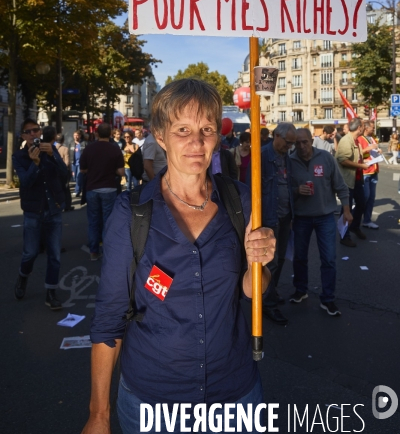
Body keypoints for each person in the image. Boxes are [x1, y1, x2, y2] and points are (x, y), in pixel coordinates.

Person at [81, 79, 276, 434]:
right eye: (182, 129)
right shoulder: (132, 211)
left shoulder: (242, 201)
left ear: (219, 135)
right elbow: (109, 316)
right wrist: (99, 415)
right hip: (152, 404)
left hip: (234, 397)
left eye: (206, 129)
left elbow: (254, 290)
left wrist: (258, 261)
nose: (197, 143)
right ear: (160, 135)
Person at [289, 129, 353, 316]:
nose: (301, 146)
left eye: (305, 142)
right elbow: (284, 189)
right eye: (298, 143)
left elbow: (341, 187)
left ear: (311, 140)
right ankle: (301, 290)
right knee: (299, 257)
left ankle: (328, 299)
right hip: (301, 217)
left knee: (329, 259)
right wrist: (296, 190)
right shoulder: (290, 161)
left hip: (325, 216)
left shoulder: (326, 158)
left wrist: (347, 211)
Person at [13, 120, 68, 309]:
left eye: (35, 131)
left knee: (54, 254)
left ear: (40, 132)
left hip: (53, 208)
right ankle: (23, 276)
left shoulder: (49, 151)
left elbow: (64, 175)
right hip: (32, 211)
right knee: (30, 253)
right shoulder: (19, 156)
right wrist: (35, 164)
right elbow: (26, 182)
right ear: (23, 136)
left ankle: (51, 293)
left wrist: (53, 155)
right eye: (28, 132)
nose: (32, 134)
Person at [249, 122, 296, 326]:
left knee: (281, 259)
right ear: (277, 136)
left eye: (292, 144)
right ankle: (267, 303)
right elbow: (252, 189)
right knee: (271, 262)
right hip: (269, 217)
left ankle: (271, 293)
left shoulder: (287, 157)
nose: (290, 147)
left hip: (285, 216)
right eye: (288, 142)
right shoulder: (261, 156)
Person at [79, 123, 125, 261]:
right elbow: (121, 171)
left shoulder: (89, 148)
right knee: (108, 221)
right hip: (109, 188)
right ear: (111, 134)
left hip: (92, 188)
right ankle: (107, 250)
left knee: (93, 220)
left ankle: (93, 251)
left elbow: (82, 169)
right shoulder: (114, 148)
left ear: (97, 134)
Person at [335, 118, 369, 247]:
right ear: (359, 128)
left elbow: (357, 156)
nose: (364, 128)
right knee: (346, 209)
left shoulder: (356, 140)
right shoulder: (346, 140)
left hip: (357, 179)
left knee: (361, 203)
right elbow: (343, 159)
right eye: (363, 126)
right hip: (347, 180)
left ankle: (354, 226)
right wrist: (360, 166)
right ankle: (344, 236)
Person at [358, 121, 381, 229]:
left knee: (371, 198)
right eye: (372, 127)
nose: (373, 129)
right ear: (366, 128)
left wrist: (378, 151)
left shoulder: (372, 138)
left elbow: (373, 151)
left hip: (374, 170)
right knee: (365, 197)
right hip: (365, 171)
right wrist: (368, 148)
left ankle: (367, 220)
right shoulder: (359, 139)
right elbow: (357, 153)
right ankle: (354, 216)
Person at [55, 133, 74, 211]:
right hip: (63, 172)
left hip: (55, 172)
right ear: (63, 140)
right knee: (66, 189)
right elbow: (67, 162)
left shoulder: (52, 148)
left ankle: (58, 205)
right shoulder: (65, 149)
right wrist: (68, 170)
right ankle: (67, 205)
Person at [70, 130, 87, 196]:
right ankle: (81, 188)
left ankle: (77, 190)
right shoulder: (71, 143)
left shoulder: (83, 143)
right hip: (73, 163)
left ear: (80, 136)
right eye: (74, 135)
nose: (76, 137)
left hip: (80, 163)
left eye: (77, 135)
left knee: (78, 176)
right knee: (74, 177)